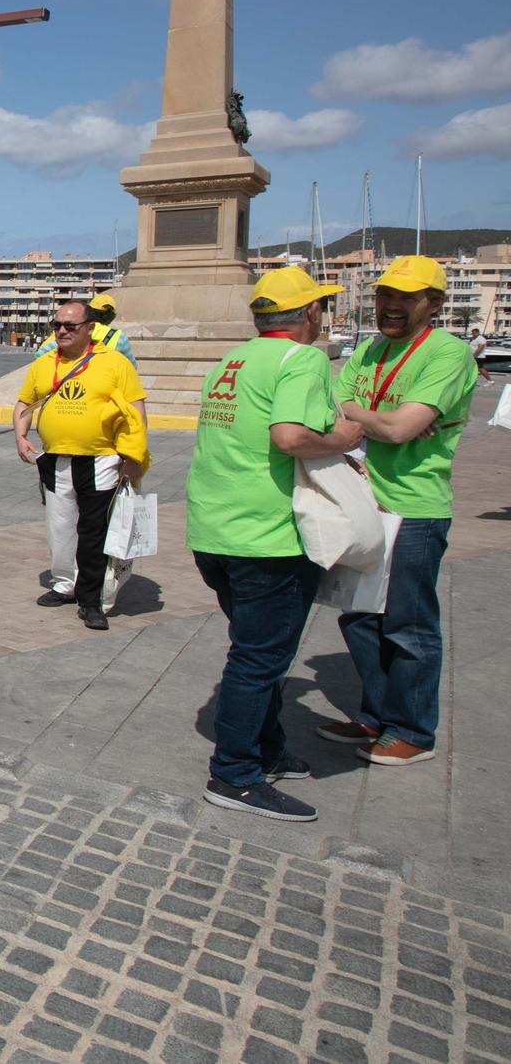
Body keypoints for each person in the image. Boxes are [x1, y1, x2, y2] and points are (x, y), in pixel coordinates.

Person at [187, 268, 365, 821]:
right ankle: (234, 775)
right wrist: (347, 436)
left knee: (253, 651)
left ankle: (267, 750)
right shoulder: (303, 359)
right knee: (260, 659)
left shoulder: (233, 360)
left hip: (214, 530)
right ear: (309, 314)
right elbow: (289, 436)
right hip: (267, 537)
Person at [322, 256, 476, 767]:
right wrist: (381, 419)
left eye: (406, 298)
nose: (390, 306)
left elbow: (397, 430)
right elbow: (331, 403)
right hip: (364, 499)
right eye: (385, 295)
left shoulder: (446, 354)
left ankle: (412, 730)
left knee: (408, 623)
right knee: (359, 615)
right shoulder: (370, 349)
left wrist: (374, 420)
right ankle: (377, 715)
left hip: (414, 508)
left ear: (432, 304)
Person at [13, 300, 148, 630]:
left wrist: (133, 458)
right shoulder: (44, 364)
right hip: (57, 459)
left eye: (70, 326)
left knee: (93, 532)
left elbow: (137, 410)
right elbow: (25, 402)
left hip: (101, 460)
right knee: (59, 528)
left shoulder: (114, 363)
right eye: (56, 324)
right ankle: (64, 584)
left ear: (90, 328)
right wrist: (20, 435)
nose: (61, 331)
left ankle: (92, 600)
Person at [36, 292, 137, 366]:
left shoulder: (67, 331)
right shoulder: (118, 337)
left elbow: (40, 355)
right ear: (112, 316)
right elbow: (132, 366)